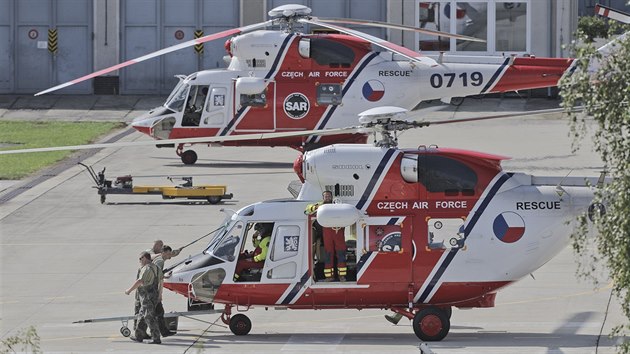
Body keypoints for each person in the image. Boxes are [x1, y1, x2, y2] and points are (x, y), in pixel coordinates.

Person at [305, 191, 346, 281]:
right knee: (328, 255)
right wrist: (316, 207)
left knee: (341, 254)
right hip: (327, 234)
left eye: (329, 196)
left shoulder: (337, 204)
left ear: (331, 197)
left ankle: (342, 276)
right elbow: (307, 210)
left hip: (338, 233)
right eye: (325, 196)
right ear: (323, 197)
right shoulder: (320, 206)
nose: (327, 197)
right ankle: (329, 277)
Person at [125, 252, 161, 344]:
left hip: (147, 297)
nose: (140, 261)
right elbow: (161, 279)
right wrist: (160, 294)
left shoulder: (147, 268)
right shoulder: (156, 267)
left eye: (141, 258)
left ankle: (156, 338)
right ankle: (139, 336)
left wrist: (129, 290)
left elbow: (140, 281)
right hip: (152, 296)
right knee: (141, 316)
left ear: (145, 258)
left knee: (149, 317)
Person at [152, 245, 177, 337]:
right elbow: (158, 279)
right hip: (153, 289)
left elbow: (158, 274)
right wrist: (160, 294)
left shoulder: (159, 259)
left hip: (152, 288)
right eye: (168, 253)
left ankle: (163, 331)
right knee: (156, 312)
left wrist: (164, 276)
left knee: (157, 312)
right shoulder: (160, 261)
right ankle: (161, 332)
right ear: (163, 253)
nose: (170, 255)